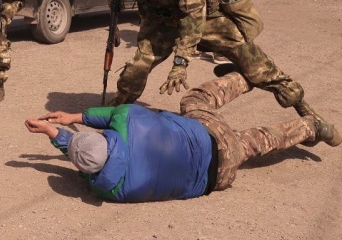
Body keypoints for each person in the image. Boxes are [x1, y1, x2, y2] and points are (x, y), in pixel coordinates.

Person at [110, 0, 331, 127]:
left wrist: (180, 64)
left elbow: (193, 16)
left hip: (206, 17)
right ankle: (115, 110)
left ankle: (302, 105)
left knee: (254, 62)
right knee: (136, 69)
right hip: (160, 20)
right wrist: (114, 14)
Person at [25, 72, 341, 203]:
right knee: (194, 101)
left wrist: (56, 135)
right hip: (207, 133)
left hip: (219, 175)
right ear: (104, 138)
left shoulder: (108, 190)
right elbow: (110, 116)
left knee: (259, 140)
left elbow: (85, 164)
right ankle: (245, 77)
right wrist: (73, 118)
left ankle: (312, 128)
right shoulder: (128, 119)